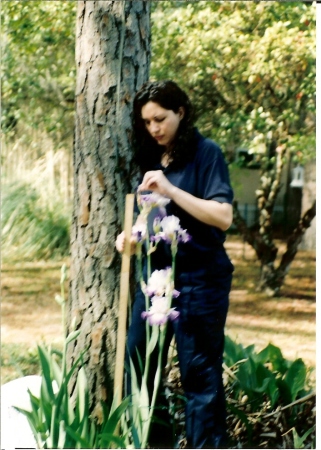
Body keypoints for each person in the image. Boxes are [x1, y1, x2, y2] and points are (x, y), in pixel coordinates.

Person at [115, 80, 234, 449]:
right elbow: (152, 216)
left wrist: (171, 190)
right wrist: (133, 237)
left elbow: (223, 216)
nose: (154, 128)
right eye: (147, 122)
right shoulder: (152, 159)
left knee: (198, 376)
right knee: (138, 364)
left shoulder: (206, 153)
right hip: (157, 281)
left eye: (161, 119)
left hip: (201, 280)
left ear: (181, 112)